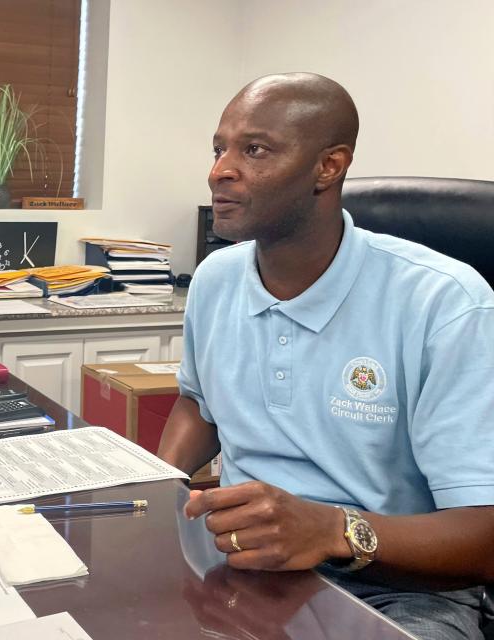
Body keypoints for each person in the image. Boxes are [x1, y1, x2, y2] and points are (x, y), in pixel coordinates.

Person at [158, 72, 494, 639]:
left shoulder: (446, 303)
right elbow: (200, 406)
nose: (220, 170)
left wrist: (334, 530)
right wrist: (156, 485)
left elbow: (484, 537)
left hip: (399, 590)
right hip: (240, 565)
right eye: (219, 149)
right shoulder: (215, 279)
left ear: (329, 166)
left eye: (254, 149)